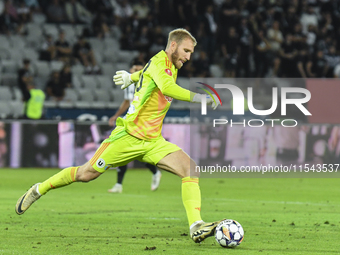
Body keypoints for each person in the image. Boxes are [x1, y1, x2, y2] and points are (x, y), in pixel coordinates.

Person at [15, 28, 221, 243]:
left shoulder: (166, 64)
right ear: (172, 46)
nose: (189, 57)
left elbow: (147, 73)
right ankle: (38, 189)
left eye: (191, 52)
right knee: (86, 174)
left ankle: (196, 225)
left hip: (152, 141)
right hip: (127, 135)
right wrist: (200, 98)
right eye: (186, 50)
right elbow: (167, 87)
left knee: (191, 169)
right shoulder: (161, 62)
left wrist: (130, 77)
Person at [107, 61, 161, 193]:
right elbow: (127, 101)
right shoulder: (129, 84)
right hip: (130, 120)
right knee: (122, 149)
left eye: (138, 68)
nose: (134, 70)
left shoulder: (149, 82)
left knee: (136, 152)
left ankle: (155, 171)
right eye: (133, 68)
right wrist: (116, 116)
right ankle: (119, 184)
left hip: (142, 122)